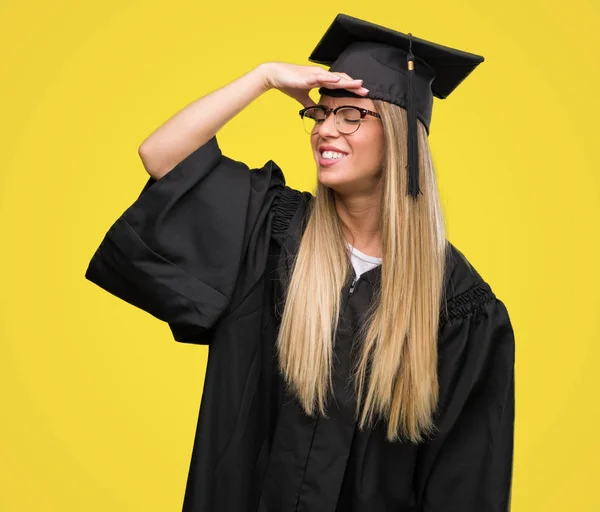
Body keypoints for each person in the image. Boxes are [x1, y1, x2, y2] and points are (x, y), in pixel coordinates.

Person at [85, 13, 515, 512]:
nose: (325, 129)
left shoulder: (459, 307)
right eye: (320, 113)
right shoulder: (272, 230)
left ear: (401, 137)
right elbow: (161, 156)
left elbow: (466, 488)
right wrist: (263, 77)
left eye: (349, 114)